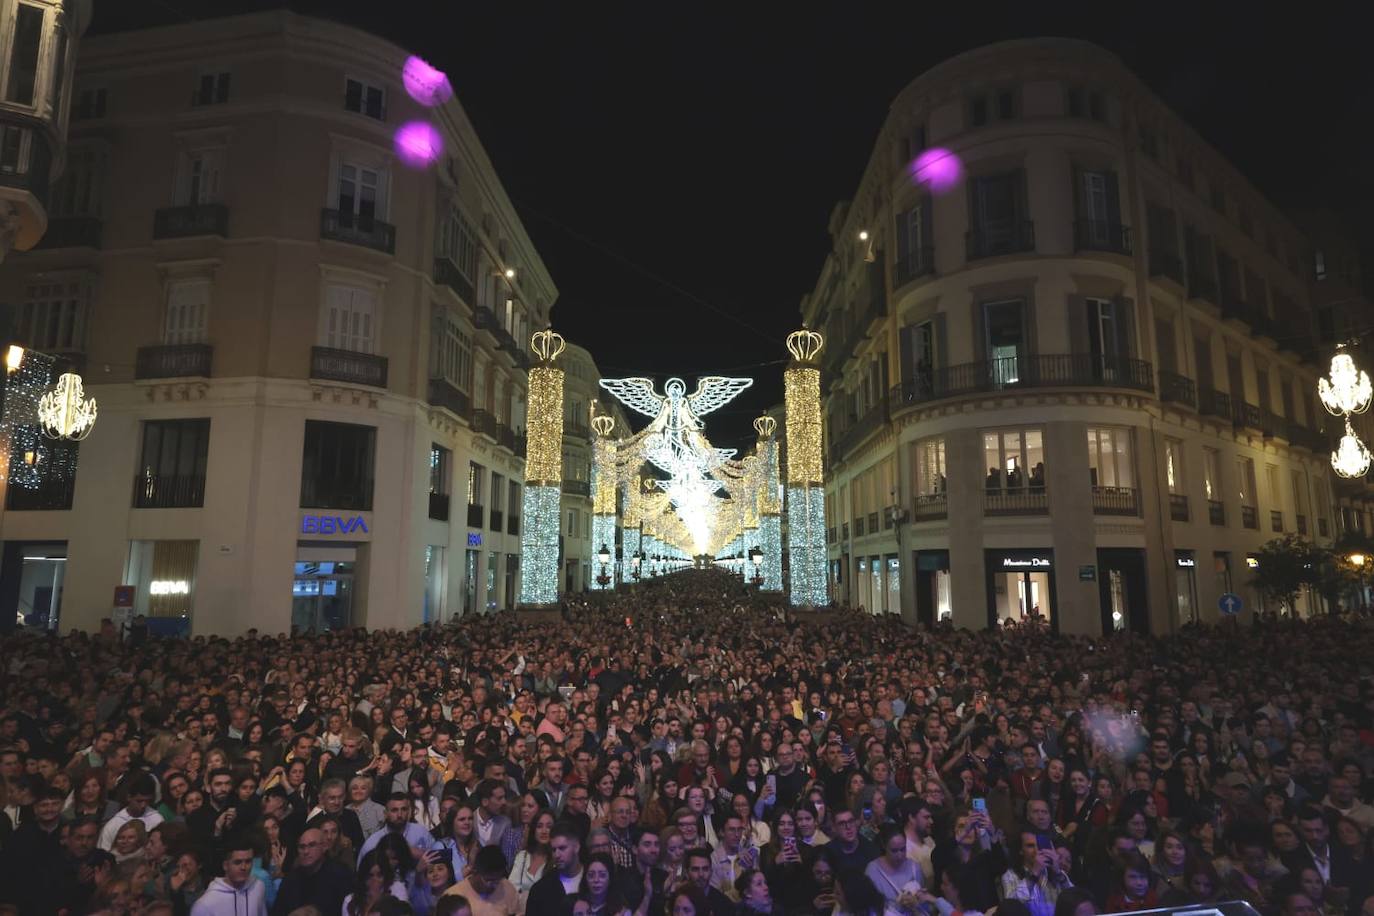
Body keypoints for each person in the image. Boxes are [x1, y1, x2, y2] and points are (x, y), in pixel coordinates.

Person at [271, 828, 353, 916]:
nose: (306, 851)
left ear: (324, 846)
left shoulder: (340, 874)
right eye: (302, 847)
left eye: (312, 845)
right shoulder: (290, 880)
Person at [191, 838, 270, 916]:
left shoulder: (258, 887)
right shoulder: (205, 905)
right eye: (237, 862)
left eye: (248, 861)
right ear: (225, 865)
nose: (243, 867)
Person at [526, 821, 585, 915]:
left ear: (576, 847)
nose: (557, 855)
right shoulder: (541, 889)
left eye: (562, 848)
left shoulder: (593, 879)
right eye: (554, 850)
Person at [445, 845, 519, 916]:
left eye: (497, 880)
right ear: (475, 871)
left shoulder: (507, 888)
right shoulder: (454, 895)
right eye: (489, 880)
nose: (494, 885)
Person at [865, 823, 923, 912]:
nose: (900, 855)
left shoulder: (914, 868)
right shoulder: (872, 871)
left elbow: (924, 904)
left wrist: (916, 903)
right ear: (884, 847)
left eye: (903, 849)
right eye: (894, 851)